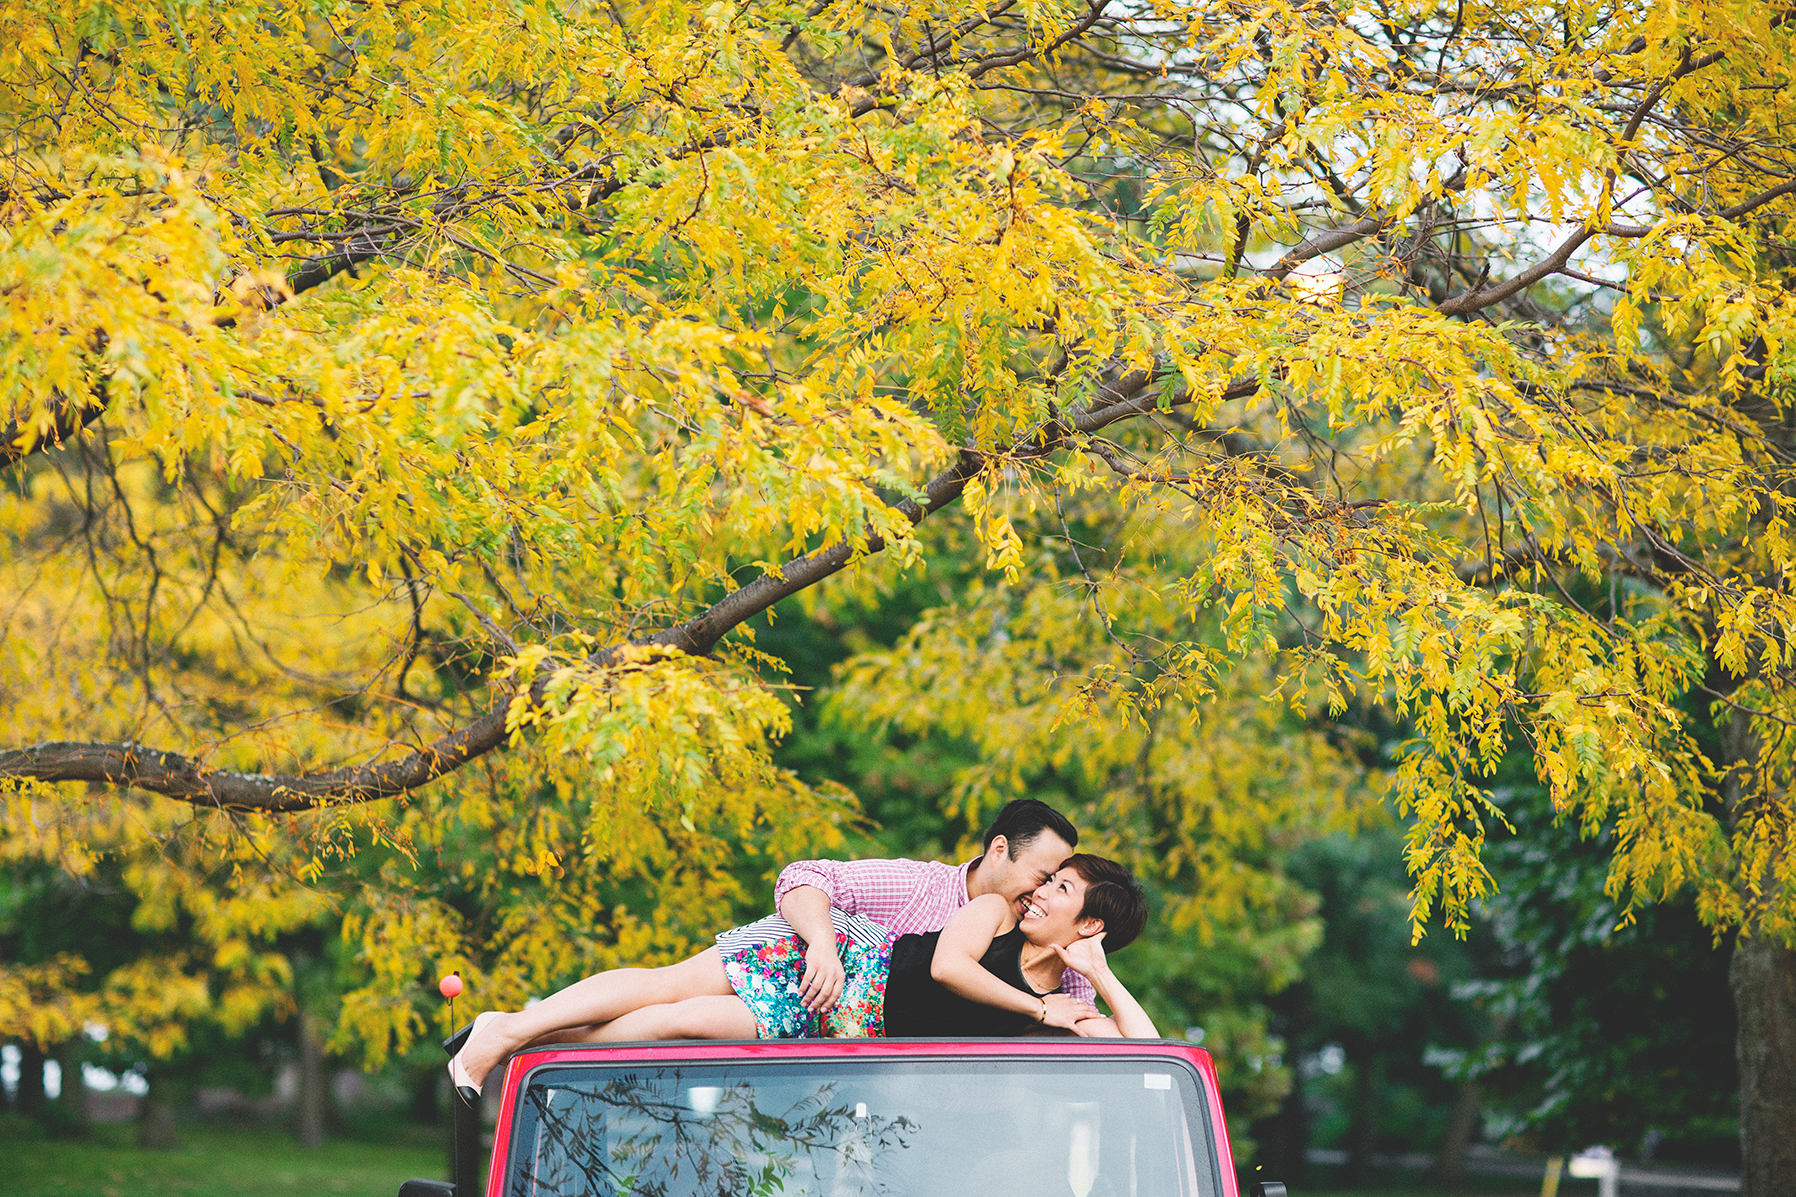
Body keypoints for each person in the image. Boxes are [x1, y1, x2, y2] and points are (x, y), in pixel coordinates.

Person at [444, 799, 1092, 1093]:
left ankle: (515, 1040)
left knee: (685, 1022)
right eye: (1043, 874)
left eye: (1058, 885)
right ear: (1001, 848)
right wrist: (821, 946)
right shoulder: (922, 884)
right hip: (815, 955)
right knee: (669, 986)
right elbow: (805, 876)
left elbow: (1088, 1015)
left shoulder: (1030, 940)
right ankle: (513, 1031)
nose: (1041, 891)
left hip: (837, 1020)